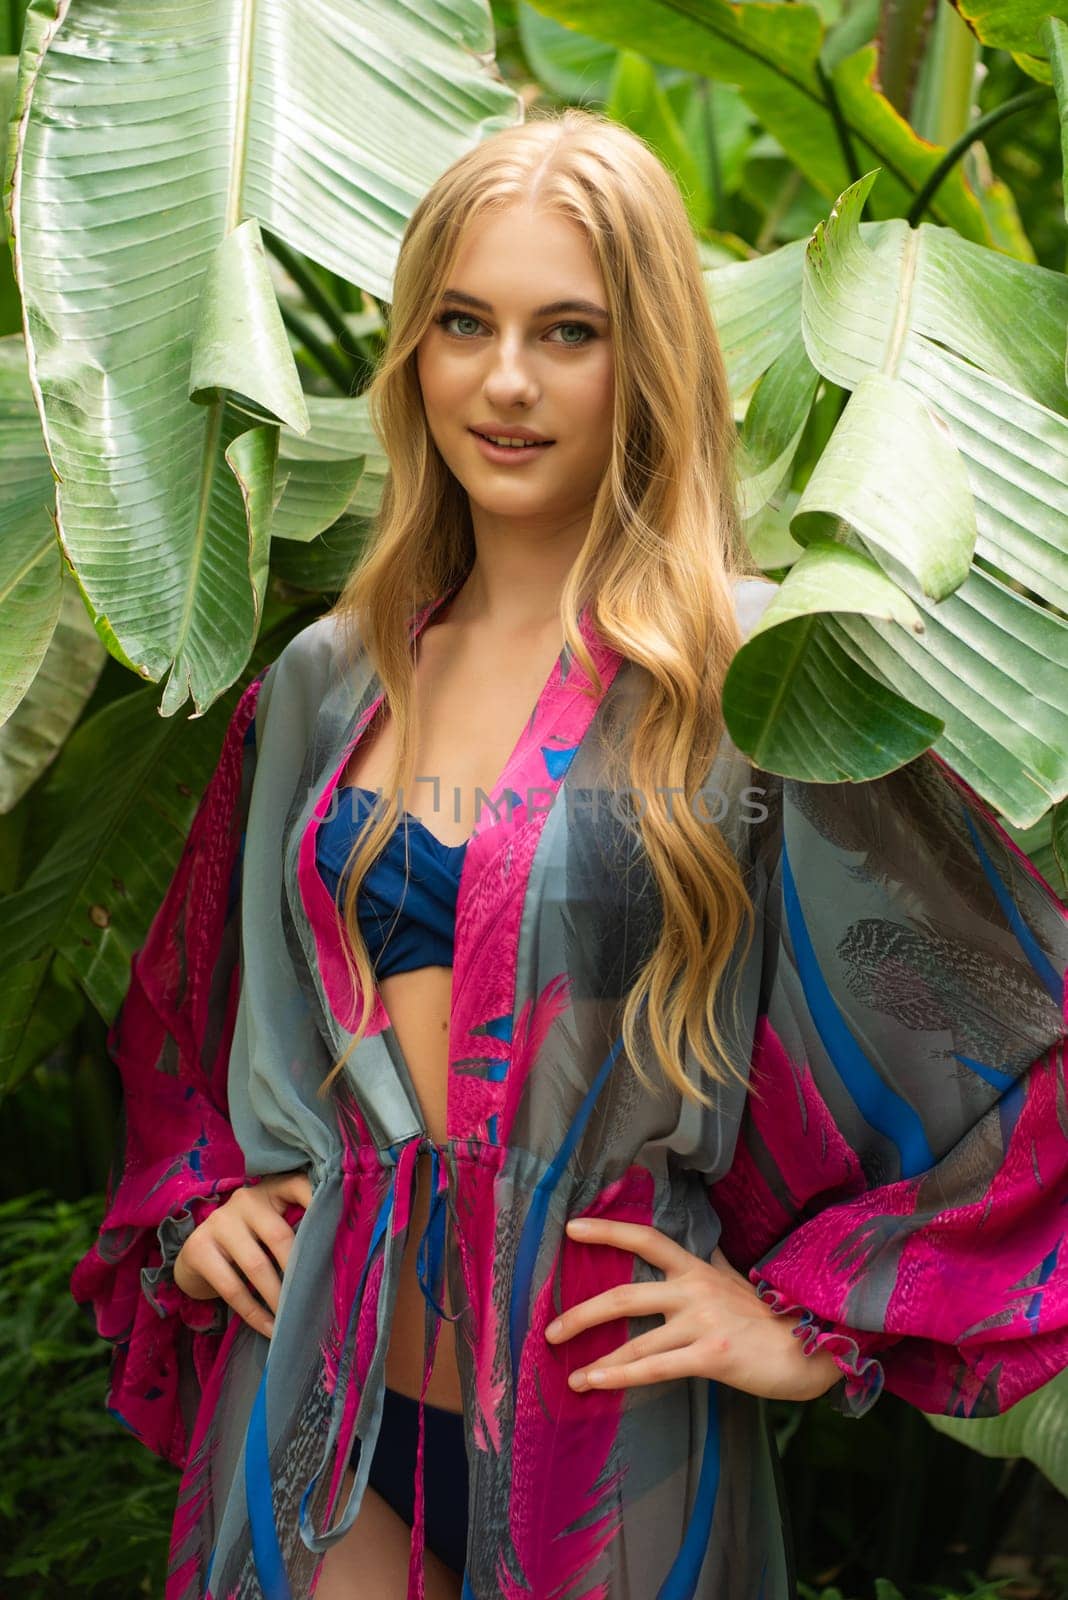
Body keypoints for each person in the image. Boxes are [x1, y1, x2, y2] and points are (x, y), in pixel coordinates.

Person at [71, 107, 1068, 1600]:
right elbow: (194, 1011)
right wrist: (206, 1199)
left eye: (570, 331)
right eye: (465, 322)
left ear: (647, 358)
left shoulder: (751, 682)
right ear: (415, 350)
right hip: (320, 1406)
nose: (509, 380)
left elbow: (1005, 1034)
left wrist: (805, 1322)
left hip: (607, 1435)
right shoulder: (328, 684)